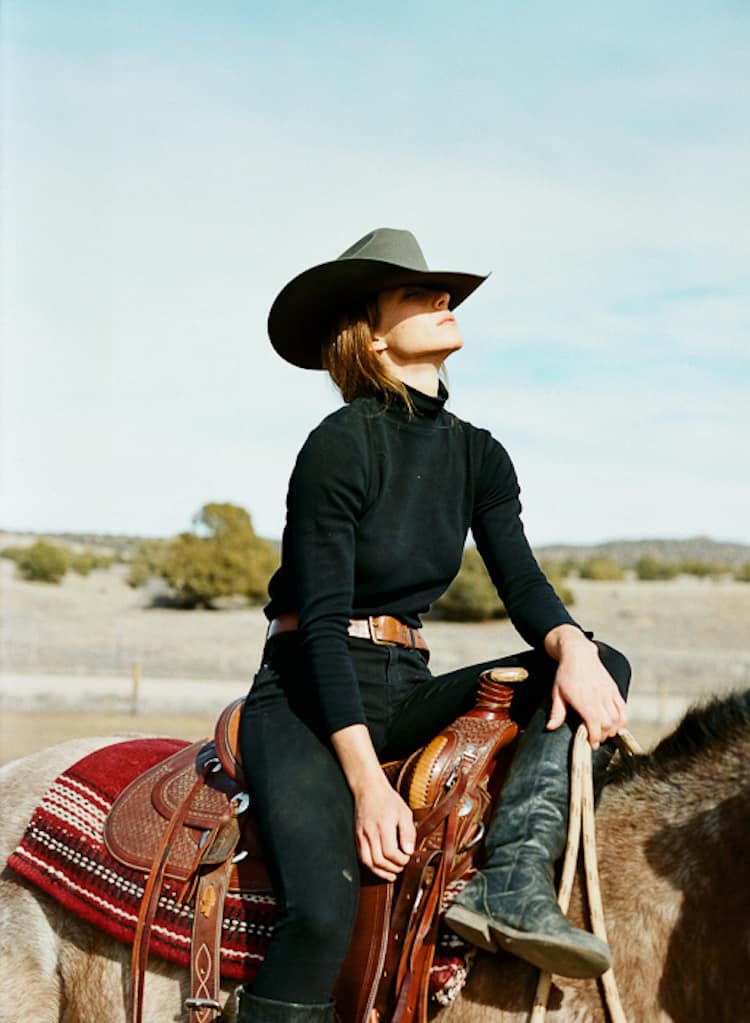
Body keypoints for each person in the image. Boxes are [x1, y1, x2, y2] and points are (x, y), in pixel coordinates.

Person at [238, 228, 630, 1023]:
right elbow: (317, 625)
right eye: (418, 293)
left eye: (442, 291)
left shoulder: (480, 455)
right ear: (372, 331)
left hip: (406, 684)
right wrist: (366, 780)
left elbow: (522, 582)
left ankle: (512, 879)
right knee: (322, 913)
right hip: (308, 698)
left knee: (597, 656)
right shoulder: (340, 444)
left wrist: (572, 648)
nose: (442, 299)